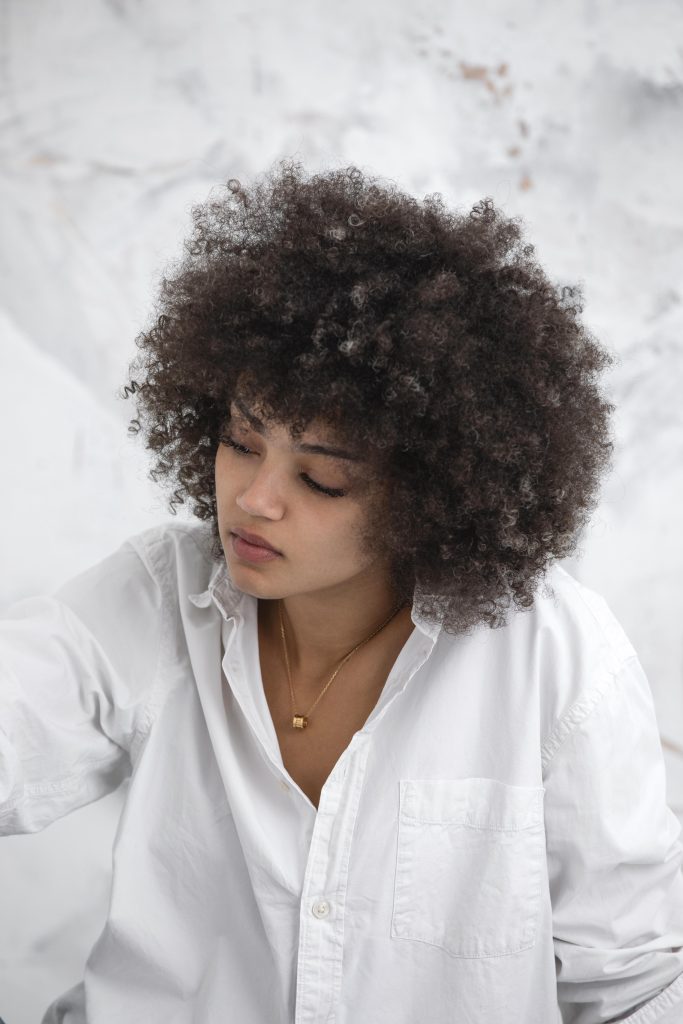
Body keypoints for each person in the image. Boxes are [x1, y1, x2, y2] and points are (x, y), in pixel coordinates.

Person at [1, 159, 682, 1023]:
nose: (254, 499)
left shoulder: (554, 659)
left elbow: (635, 984)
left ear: (433, 492)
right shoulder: (161, 595)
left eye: (321, 479)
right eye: (239, 442)